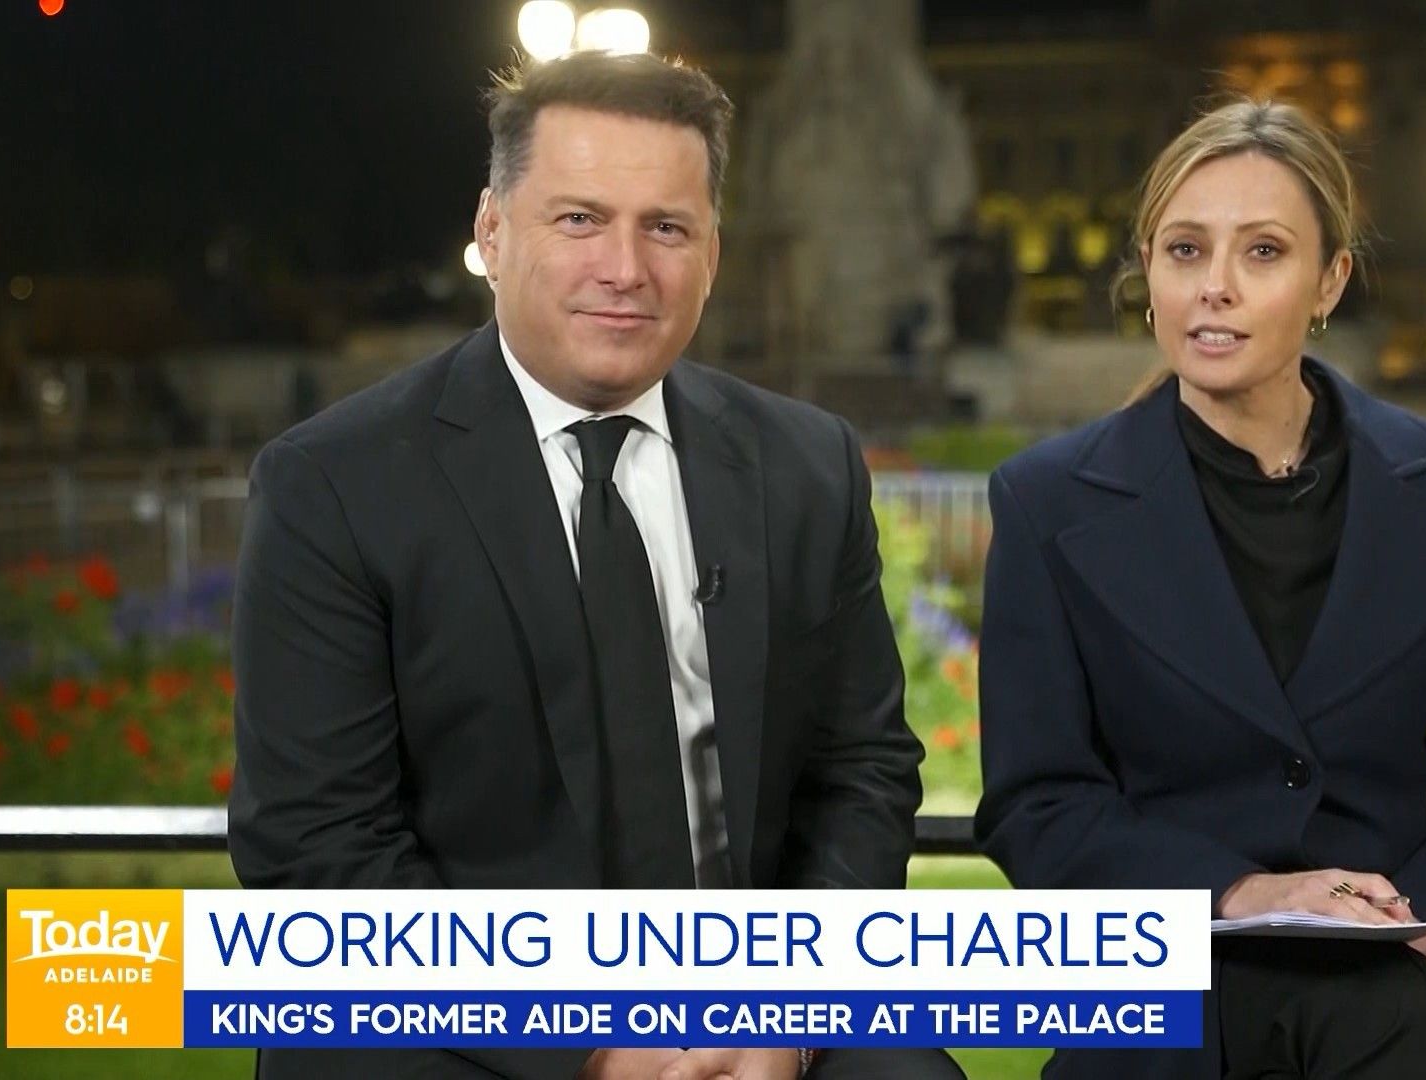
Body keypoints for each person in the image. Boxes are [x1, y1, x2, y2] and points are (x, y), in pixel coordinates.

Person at [229, 52, 961, 1080]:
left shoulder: (808, 464)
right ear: (492, 232)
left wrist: (791, 1014)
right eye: (580, 220)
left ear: (713, 253)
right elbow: (319, 845)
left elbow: (863, 772)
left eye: (666, 228)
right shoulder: (334, 485)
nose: (626, 269)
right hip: (462, 1025)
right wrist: (589, 1044)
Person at [974, 98, 1426, 1079]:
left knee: (1389, 1018)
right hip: (1176, 995)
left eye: (1262, 252)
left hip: (1406, 969)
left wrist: (1414, 917)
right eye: (1185, 251)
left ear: (1329, 281)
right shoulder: (1046, 502)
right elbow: (1038, 805)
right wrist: (1240, 893)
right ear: (1149, 272)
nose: (1214, 286)